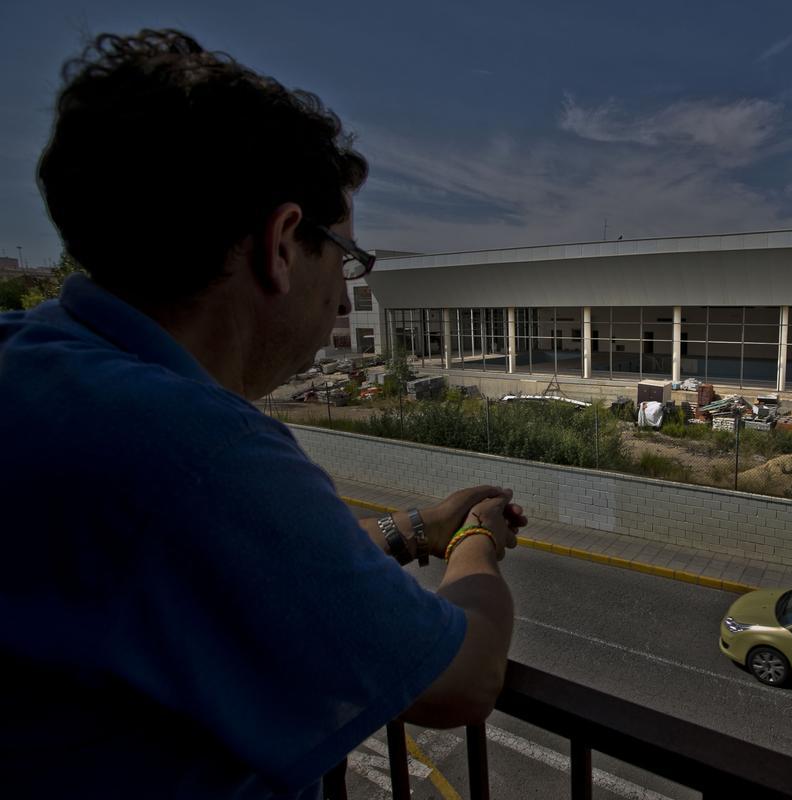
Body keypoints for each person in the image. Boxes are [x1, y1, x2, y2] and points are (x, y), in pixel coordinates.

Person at [0, 29, 524, 798]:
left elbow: (245, 571)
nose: (346, 296)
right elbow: (462, 680)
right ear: (282, 245)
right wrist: (477, 542)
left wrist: (413, 531)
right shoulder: (196, 450)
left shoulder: (34, 364)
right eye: (345, 258)